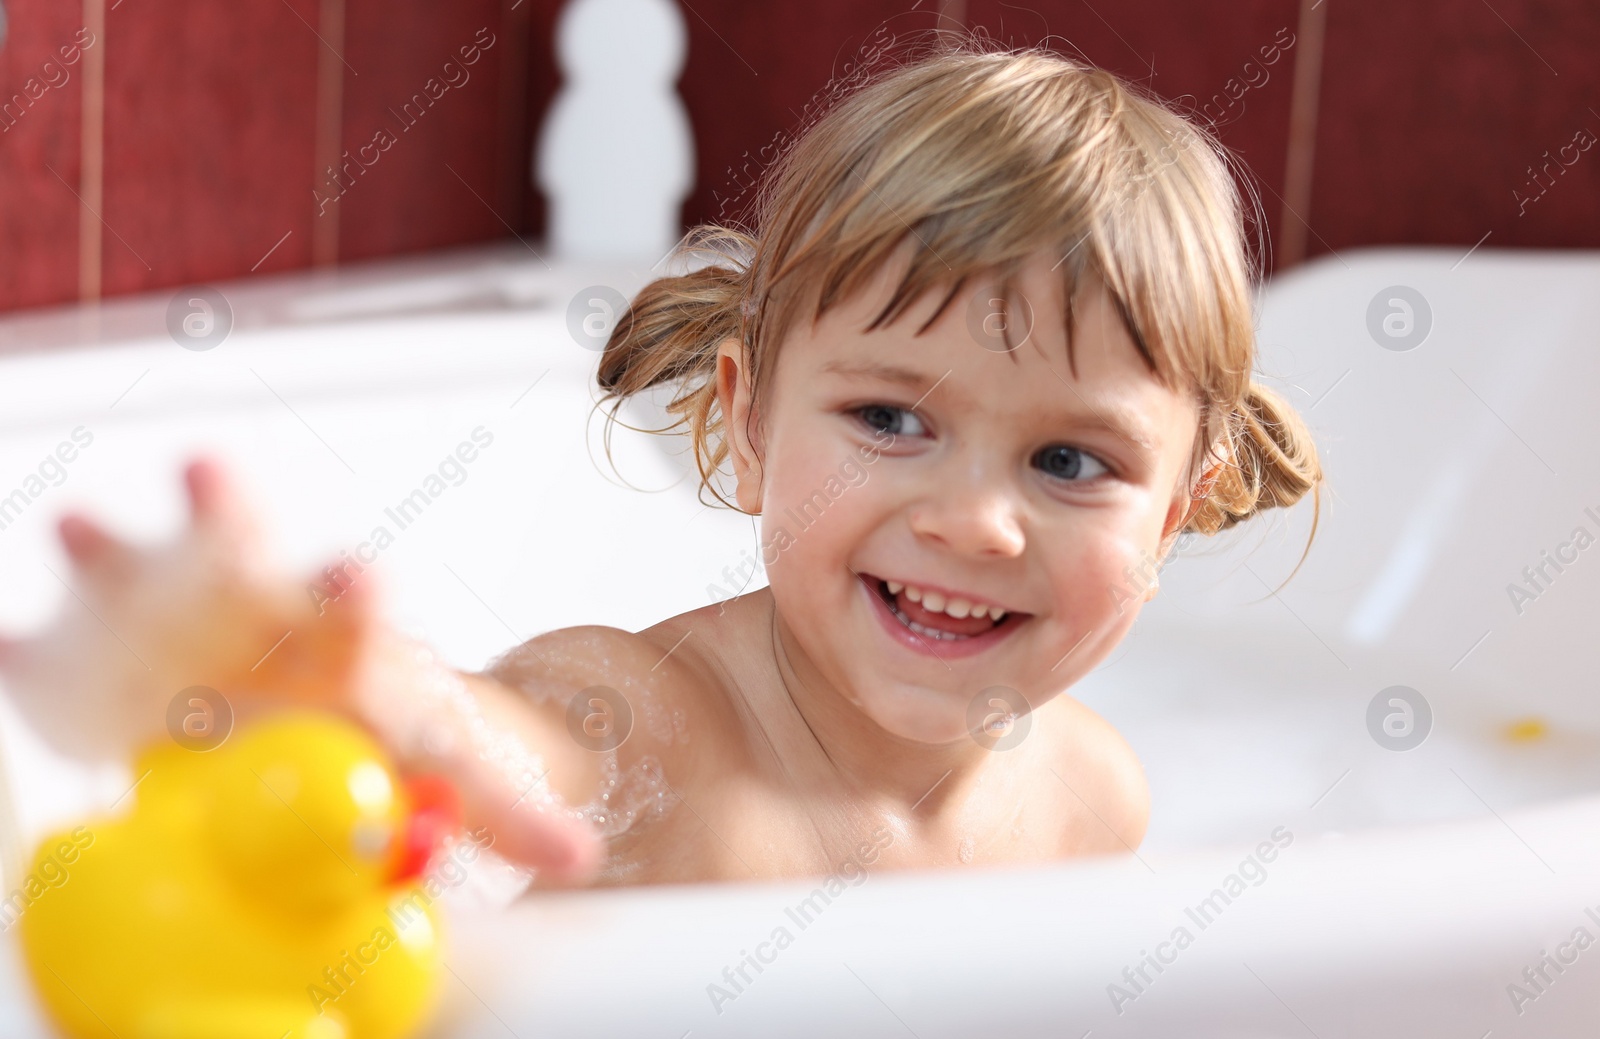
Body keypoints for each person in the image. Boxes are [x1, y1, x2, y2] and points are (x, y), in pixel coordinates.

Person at [0, 38, 1323, 890]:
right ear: (746, 426)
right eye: (891, 422)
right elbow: (512, 742)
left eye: (1070, 459)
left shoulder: (1097, 801)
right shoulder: (656, 720)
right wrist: (379, 700)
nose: (976, 523)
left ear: (1178, 510)